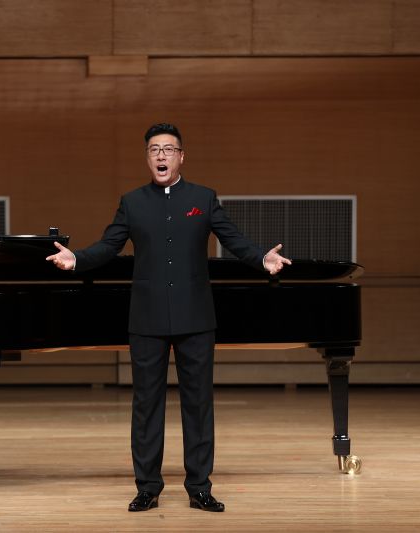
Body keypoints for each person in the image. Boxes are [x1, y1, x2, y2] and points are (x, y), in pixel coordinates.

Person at [46, 123, 290, 512]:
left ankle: (200, 488)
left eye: (168, 149)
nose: (161, 155)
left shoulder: (203, 198)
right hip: (147, 319)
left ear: (181, 157)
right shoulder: (132, 202)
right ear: (148, 158)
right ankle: (147, 488)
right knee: (146, 406)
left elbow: (233, 239)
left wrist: (262, 258)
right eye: (154, 150)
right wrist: (77, 259)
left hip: (197, 317)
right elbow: (108, 245)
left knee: (199, 405)